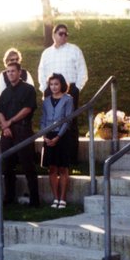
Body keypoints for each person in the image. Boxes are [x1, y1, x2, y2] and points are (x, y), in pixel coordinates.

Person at [38, 24, 88, 162]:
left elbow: (82, 71)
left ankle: (71, 158)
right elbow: (41, 71)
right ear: (53, 35)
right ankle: (50, 158)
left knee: (70, 123)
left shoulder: (74, 50)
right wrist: (45, 89)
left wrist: (76, 89)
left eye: (66, 34)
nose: (64, 36)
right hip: (50, 91)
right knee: (49, 122)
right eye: (61, 33)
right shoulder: (46, 53)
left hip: (69, 90)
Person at [0, 62, 40, 207]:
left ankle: (35, 199)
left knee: (28, 165)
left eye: (13, 71)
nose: (10, 74)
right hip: (7, 132)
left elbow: (27, 109)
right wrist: (5, 126)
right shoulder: (5, 92)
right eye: (8, 71)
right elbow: (0, 111)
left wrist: (10, 122)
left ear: (19, 72)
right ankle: (9, 197)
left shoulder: (28, 89)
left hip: (23, 130)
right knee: (7, 166)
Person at [40, 73, 75, 208]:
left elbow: (67, 120)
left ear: (62, 85)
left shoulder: (68, 99)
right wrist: (44, 136)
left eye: (56, 84)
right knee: (52, 168)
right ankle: (55, 198)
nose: (54, 87)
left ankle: (63, 199)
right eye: (51, 84)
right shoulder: (46, 101)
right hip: (48, 135)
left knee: (63, 168)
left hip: (62, 136)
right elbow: (43, 119)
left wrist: (58, 137)